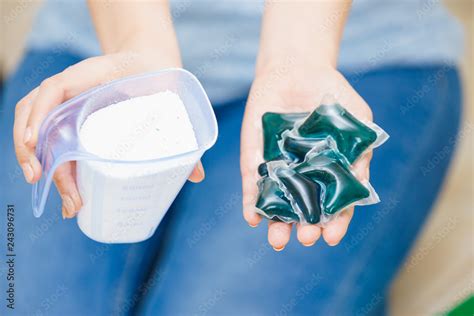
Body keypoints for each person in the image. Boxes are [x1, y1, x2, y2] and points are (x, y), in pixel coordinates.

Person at [0, 0, 463, 315]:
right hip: (100, 45)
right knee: (26, 299)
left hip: (359, 50)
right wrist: (140, 52)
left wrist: (295, 58)